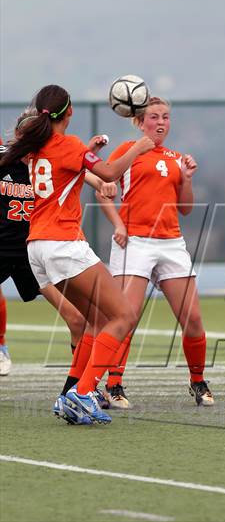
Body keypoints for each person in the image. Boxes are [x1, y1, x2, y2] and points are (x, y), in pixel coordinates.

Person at [0, 85, 155, 424]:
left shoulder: (37, 148)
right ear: (69, 112)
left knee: (95, 323)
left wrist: (89, 151)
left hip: (37, 247)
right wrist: (141, 147)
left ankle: (68, 395)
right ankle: (83, 394)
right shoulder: (67, 145)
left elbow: (66, 171)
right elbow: (111, 174)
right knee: (124, 317)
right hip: (63, 244)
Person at [96, 96, 214, 407]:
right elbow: (103, 188)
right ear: (139, 121)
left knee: (193, 320)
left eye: (165, 117)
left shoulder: (177, 158)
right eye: (153, 117)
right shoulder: (128, 150)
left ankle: (198, 381)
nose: (160, 122)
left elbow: (186, 208)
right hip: (134, 243)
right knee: (126, 317)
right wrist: (118, 224)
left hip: (171, 243)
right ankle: (114, 384)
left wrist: (187, 180)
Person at [0, 123, 114, 377]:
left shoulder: (49, 162)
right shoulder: (5, 159)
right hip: (3, 248)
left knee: (77, 320)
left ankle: (81, 387)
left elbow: (83, 172)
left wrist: (101, 184)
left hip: (33, 254)